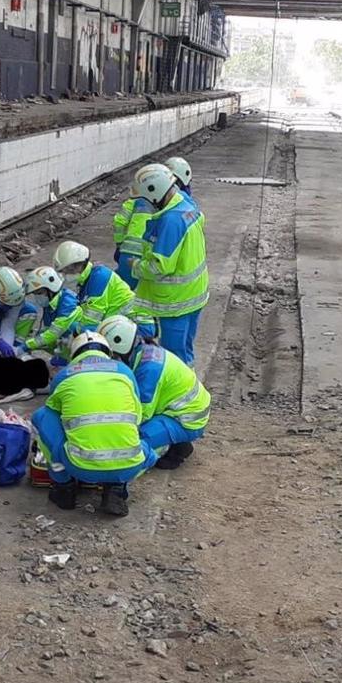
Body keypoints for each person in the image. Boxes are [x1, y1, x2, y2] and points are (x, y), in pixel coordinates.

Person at [31, 331, 157, 516]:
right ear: (107, 352)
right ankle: (116, 488)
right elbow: (137, 417)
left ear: (75, 354)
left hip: (80, 466)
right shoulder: (125, 372)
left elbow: (55, 413)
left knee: (42, 416)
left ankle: (64, 488)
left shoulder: (64, 375)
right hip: (129, 465)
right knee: (147, 450)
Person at [99, 315, 209, 470]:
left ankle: (173, 450)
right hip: (183, 412)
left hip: (186, 419)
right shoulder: (144, 352)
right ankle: (171, 440)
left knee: (130, 442)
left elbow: (142, 414)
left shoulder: (149, 369)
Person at [131, 162, 209, 366]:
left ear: (154, 193)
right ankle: (190, 381)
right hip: (194, 294)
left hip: (176, 302)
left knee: (173, 356)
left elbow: (159, 267)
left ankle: (181, 384)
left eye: (143, 199)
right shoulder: (185, 203)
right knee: (185, 350)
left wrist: (135, 266)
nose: (142, 205)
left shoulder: (171, 221)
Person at [21, 265, 81, 365]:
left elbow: (54, 333)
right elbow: (48, 330)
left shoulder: (68, 302)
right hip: (65, 340)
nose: (37, 296)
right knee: (41, 334)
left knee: (71, 328)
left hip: (81, 341)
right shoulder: (49, 305)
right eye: (35, 293)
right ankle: (62, 356)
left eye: (39, 293)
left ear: (51, 288)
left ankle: (72, 359)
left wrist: (27, 345)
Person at [111, 181, 153, 288]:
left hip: (129, 251)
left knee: (124, 287)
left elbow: (119, 222)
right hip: (150, 253)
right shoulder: (162, 204)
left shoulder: (133, 203)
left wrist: (119, 243)